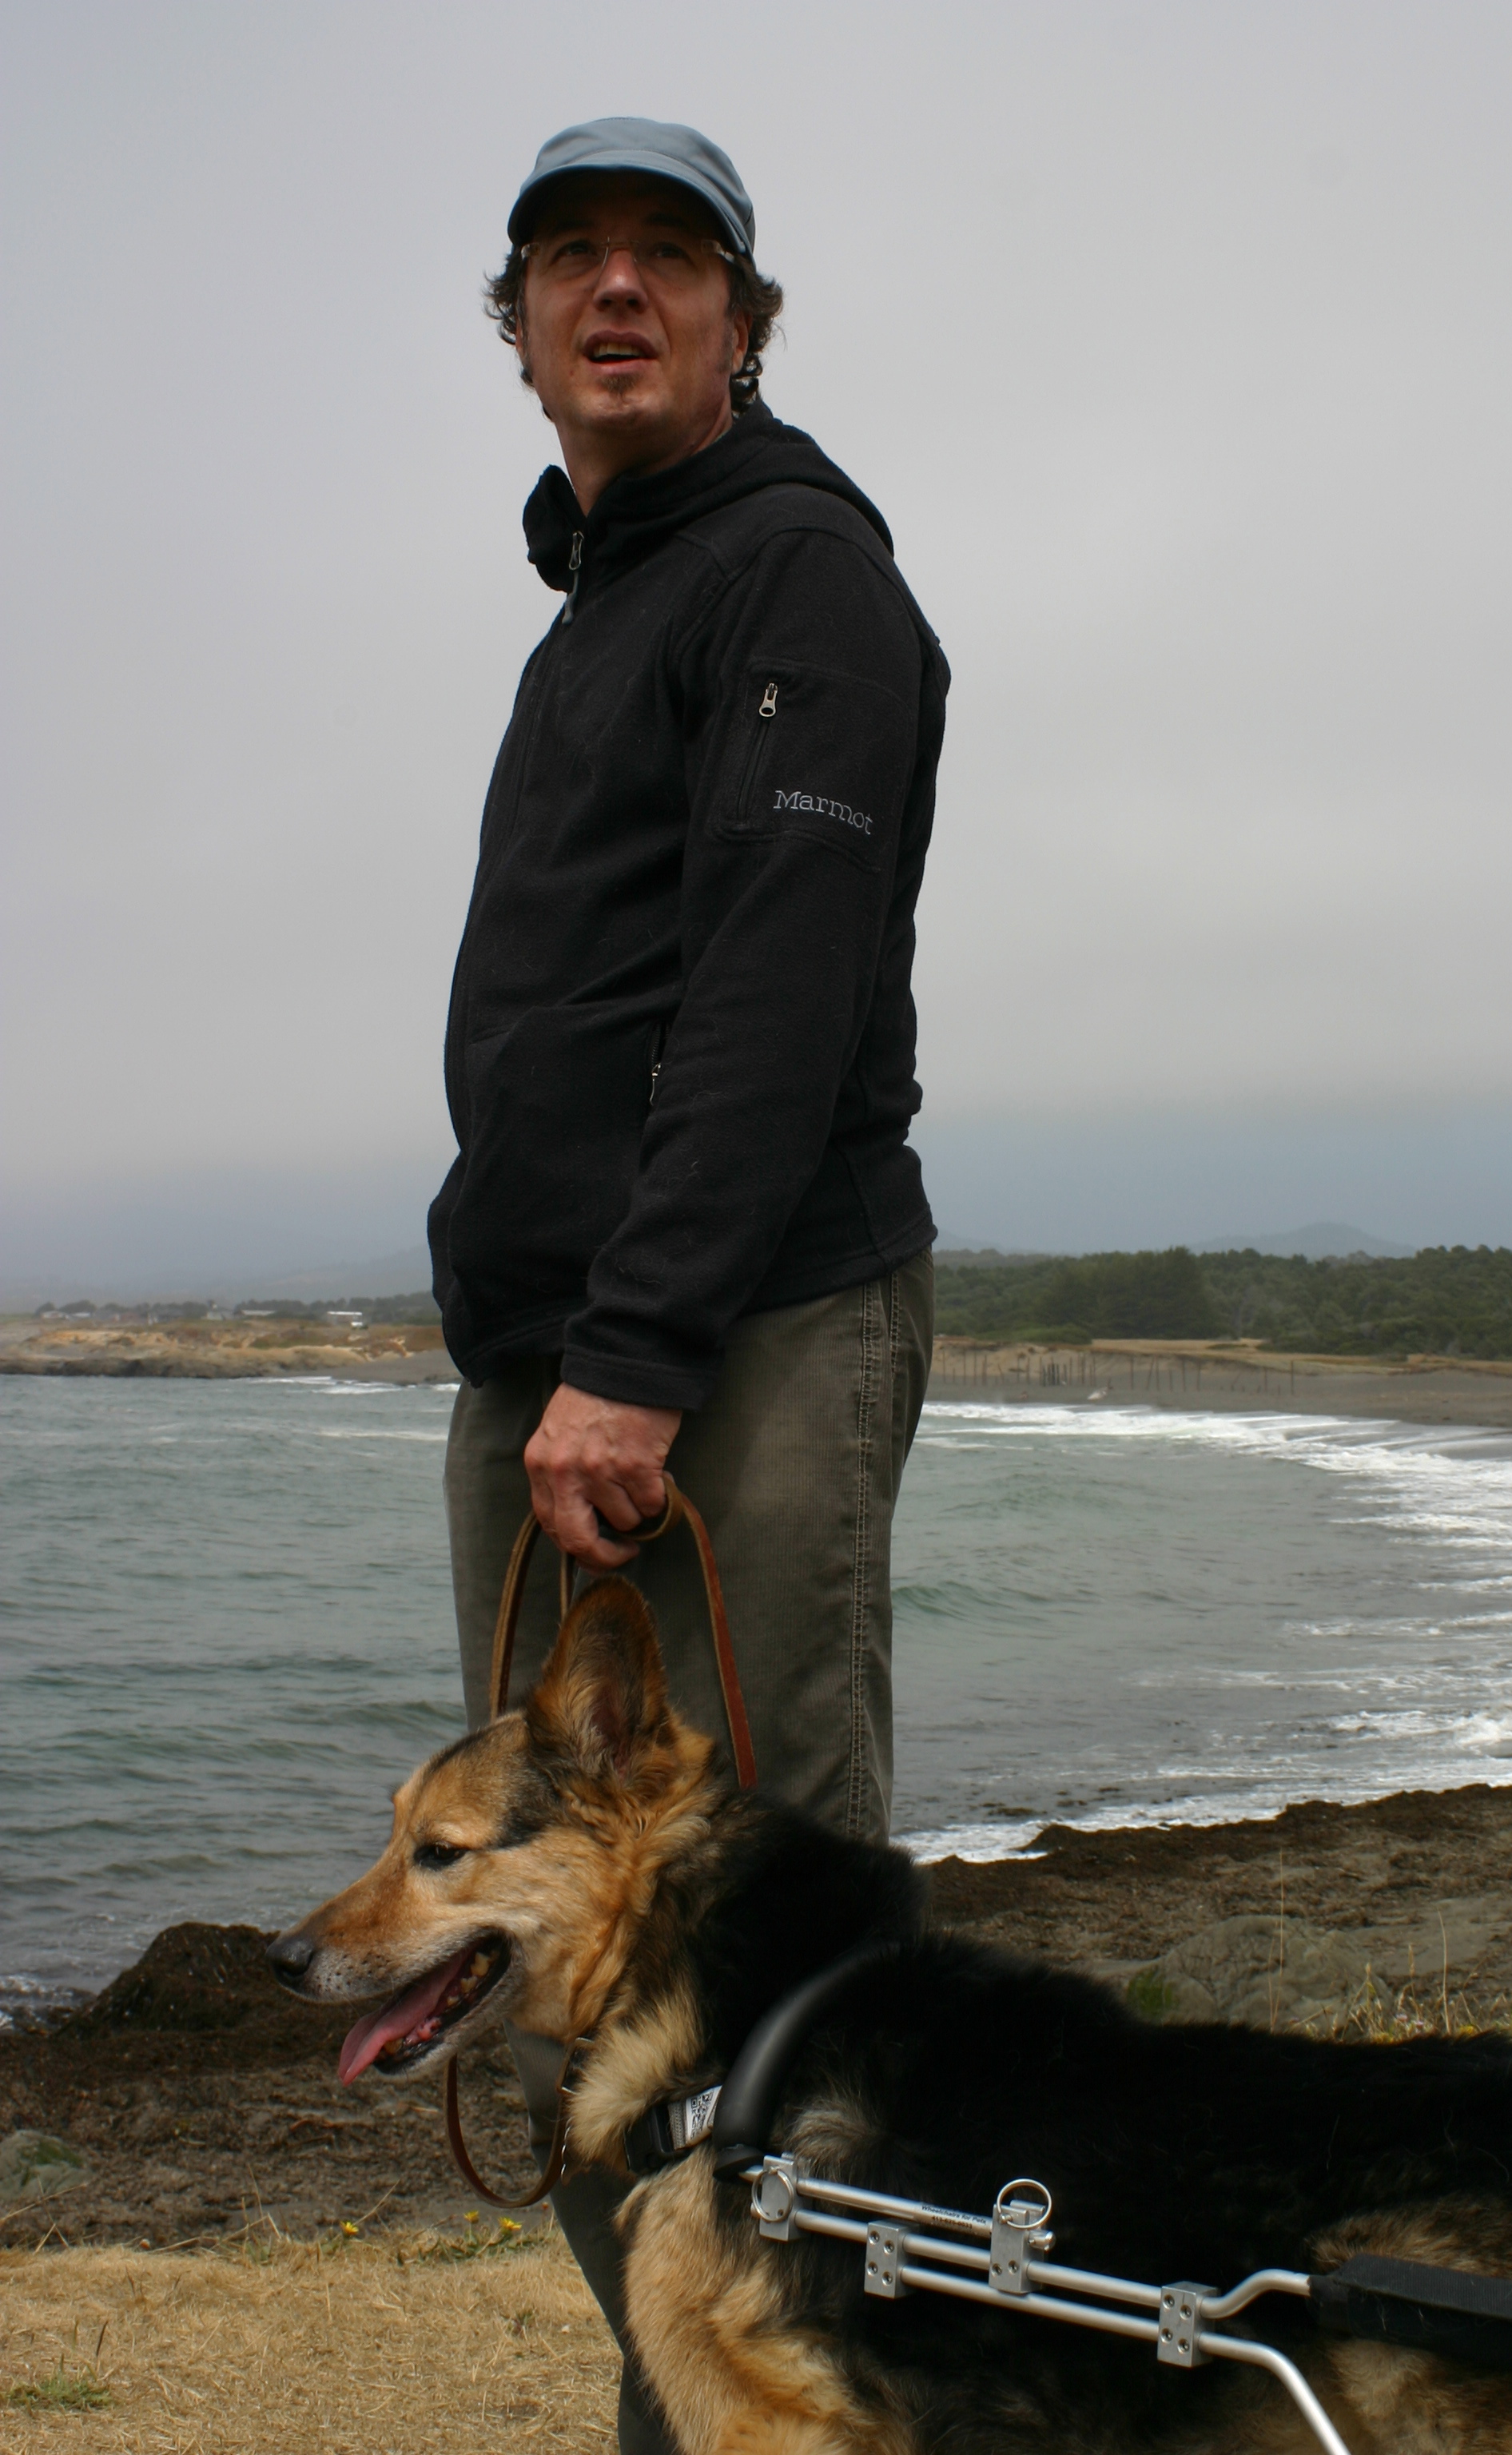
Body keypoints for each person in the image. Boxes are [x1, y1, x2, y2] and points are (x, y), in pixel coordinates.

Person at [430, 117, 948, 2452]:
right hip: (561, 1369)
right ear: (518, 326)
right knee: (569, 1913)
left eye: (669, 260)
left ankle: (813, 2411)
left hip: (723, 1357)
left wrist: (633, 1363)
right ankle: (691, 2405)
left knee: (761, 1933)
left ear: (745, 322)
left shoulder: (800, 582)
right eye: (569, 262)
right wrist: (548, 1343)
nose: (614, 293)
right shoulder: (609, 602)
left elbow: (775, 994)